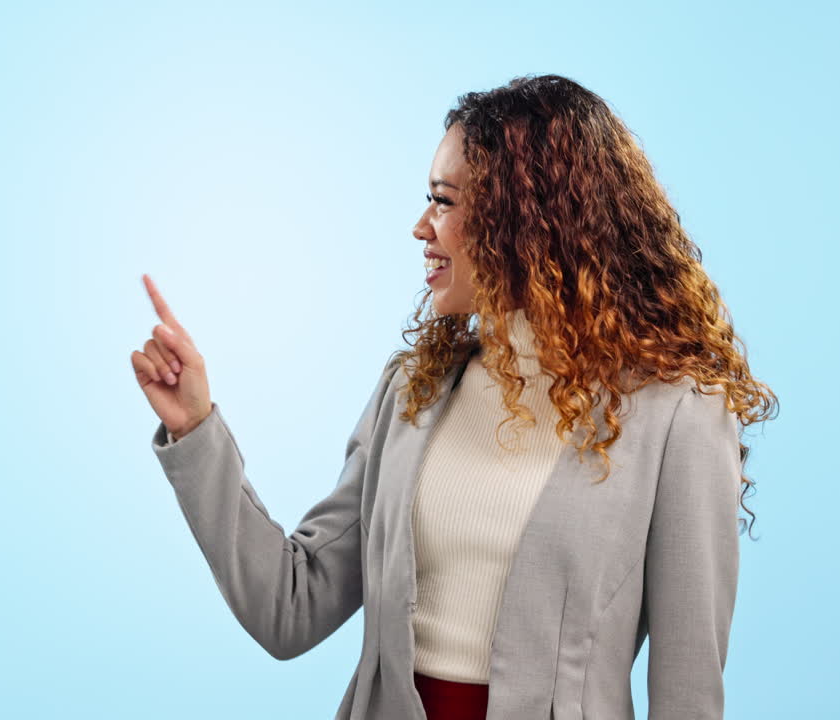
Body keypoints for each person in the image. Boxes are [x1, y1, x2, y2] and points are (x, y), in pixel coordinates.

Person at [130, 73, 776, 720]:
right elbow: (290, 607)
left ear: (528, 216)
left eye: (443, 201)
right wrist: (195, 427)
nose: (420, 227)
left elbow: (688, 692)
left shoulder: (679, 416)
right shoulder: (411, 392)